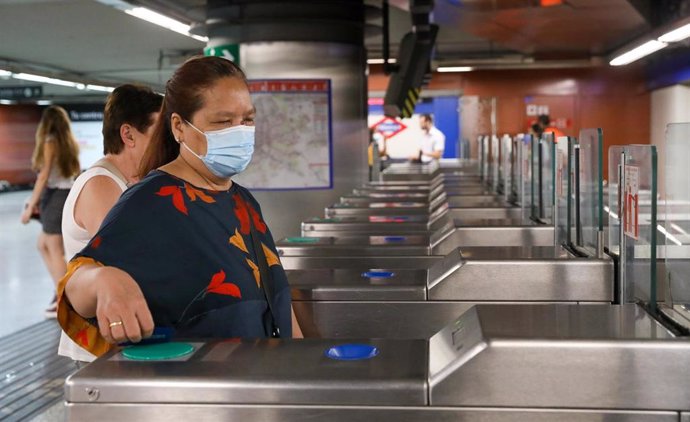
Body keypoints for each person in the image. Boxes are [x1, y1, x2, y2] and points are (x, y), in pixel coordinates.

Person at [57, 56, 302, 359]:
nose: (240, 131)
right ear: (179, 127)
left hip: (264, 386)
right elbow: (76, 288)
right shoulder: (152, 201)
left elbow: (279, 306)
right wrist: (105, 280)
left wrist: (299, 362)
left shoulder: (242, 201)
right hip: (202, 394)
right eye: (223, 122)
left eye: (247, 120)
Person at [58, 84, 162, 362]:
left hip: (126, 336)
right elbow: (134, 258)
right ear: (128, 134)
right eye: (159, 134)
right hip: (102, 349)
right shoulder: (101, 184)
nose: (168, 144)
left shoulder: (130, 182)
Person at [20, 106, 80, 318]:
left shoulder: (49, 141)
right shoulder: (66, 141)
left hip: (57, 195)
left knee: (53, 248)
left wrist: (30, 206)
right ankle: (60, 293)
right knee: (43, 244)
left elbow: (43, 176)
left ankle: (67, 300)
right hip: (60, 193)